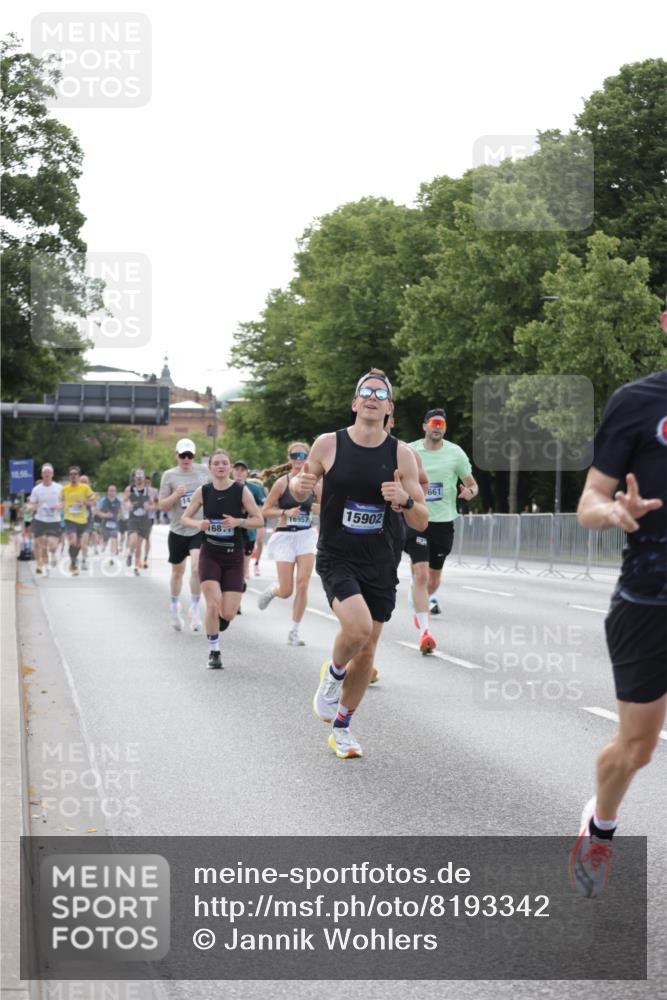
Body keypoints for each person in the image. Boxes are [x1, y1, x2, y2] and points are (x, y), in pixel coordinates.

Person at [292, 369, 427, 758]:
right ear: (355, 402)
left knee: (367, 651)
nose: (372, 397)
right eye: (365, 391)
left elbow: (421, 519)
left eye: (380, 394)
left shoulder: (402, 454)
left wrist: (404, 499)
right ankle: (334, 675)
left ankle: (342, 728)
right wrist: (301, 487)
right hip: (337, 555)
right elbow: (301, 487)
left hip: (381, 560)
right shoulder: (327, 444)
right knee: (358, 628)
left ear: (389, 407)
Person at [569, 368, 666, 898]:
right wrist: (614, 511)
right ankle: (600, 825)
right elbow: (588, 505)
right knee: (636, 748)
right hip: (649, 597)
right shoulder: (636, 402)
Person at [181, 448, 263, 669]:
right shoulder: (204, 491)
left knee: (228, 612)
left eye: (224, 463)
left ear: (230, 467)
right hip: (210, 554)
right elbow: (185, 518)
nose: (220, 466)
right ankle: (214, 651)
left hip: (234, 556)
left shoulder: (241, 491)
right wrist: (198, 524)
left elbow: (259, 520)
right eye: (216, 463)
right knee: (212, 603)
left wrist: (239, 522)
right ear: (210, 467)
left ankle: (221, 618)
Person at [404, 407, 478, 652]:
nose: (437, 427)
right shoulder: (410, 451)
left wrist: (470, 492)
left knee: (433, 580)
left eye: (442, 424)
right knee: (421, 574)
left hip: (443, 522)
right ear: (424, 426)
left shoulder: (455, 453)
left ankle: (420, 601)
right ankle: (425, 632)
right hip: (416, 518)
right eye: (434, 423)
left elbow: (472, 484)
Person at [257, 443, 322, 646]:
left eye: (303, 455)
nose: (299, 459)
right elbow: (265, 510)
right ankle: (273, 591)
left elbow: (327, 508)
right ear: (289, 458)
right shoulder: (281, 483)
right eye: (295, 455)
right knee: (286, 591)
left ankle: (294, 631)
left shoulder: (315, 483)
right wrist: (285, 512)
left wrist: (315, 508)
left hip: (306, 535)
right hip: (285, 536)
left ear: (308, 458)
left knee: (303, 584)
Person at [158, 439, 210, 631]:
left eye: (190, 455)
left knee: (196, 569)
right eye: (183, 455)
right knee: (177, 572)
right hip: (178, 529)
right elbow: (162, 506)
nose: (186, 459)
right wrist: (176, 495)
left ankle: (195, 608)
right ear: (177, 455)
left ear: (194, 456)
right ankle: (174, 607)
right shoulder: (169, 475)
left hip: (198, 528)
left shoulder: (204, 472)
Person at [232, 459, 267, 586]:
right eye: (236, 469)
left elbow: (264, 507)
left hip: (248, 531)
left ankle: (240, 582)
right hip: (229, 530)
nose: (239, 472)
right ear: (232, 471)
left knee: (244, 564)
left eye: (242, 470)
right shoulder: (225, 486)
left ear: (247, 472)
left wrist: (252, 512)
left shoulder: (255, 489)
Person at [28, 463, 62, 574]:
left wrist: (59, 506)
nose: (47, 474)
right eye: (45, 472)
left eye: (49, 472)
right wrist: (33, 506)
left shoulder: (59, 488)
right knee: (40, 543)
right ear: (42, 474)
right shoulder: (36, 489)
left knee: (52, 544)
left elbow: (65, 501)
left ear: (52, 474)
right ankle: (41, 565)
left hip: (54, 520)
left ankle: (53, 553)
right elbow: (31, 503)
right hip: (40, 520)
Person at [61, 466, 95, 576]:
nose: (73, 476)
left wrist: (84, 502)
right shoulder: (64, 489)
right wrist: (60, 506)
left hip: (82, 519)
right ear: (69, 476)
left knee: (79, 544)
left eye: (75, 474)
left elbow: (93, 501)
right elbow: (61, 501)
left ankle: (74, 560)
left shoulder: (85, 488)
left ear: (78, 476)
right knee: (73, 541)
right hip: (69, 518)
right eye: (71, 474)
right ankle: (73, 563)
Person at [124, 469, 154, 575]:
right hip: (133, 519)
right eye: (137, 477)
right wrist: (128, 504)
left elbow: (153, 504)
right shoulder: (129, 489)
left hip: (144, 520)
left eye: (141, 476)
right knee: (133, 540)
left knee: (139, 545)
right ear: (134, 478)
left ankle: (136, 567)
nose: (139, 478)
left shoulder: (148, 490)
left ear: (144, 478)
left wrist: (149, 506)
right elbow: (125, 500)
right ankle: (129, 554)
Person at [97, 485, 122, 565]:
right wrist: (105, 515)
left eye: (113, 491)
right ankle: (104, 544)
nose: (112, 492)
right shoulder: (103, 501)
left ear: (116, 492)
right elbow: (97, 511)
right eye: (110, 491)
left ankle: (112, 557)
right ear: (108, 492)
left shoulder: (118, 501)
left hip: (114, 523)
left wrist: (119, 516)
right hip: (105, 523)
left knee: (114, 539)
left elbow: (120, 512)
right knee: (105, 540)